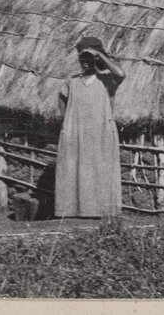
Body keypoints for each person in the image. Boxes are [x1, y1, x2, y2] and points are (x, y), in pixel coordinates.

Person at [54, 35, 126, 218]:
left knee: (100, 169)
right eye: (82, 58)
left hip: (100, 131)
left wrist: (98, 55)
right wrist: (67, 125)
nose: (85, 62)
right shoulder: (71, 82)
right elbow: (62, 103)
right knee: (75, 169)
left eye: (89, 58)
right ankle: (74, 211)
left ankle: (100, 211)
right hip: (77, 132)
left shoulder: (107, 79)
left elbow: (121, 73)